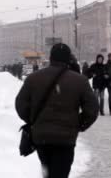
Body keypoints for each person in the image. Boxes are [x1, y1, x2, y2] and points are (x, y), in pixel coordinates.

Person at [16, 43, 99, 178]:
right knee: (60, 173)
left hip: (41, 137)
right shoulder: (80, 81)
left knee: (48, 171)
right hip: (66, 138)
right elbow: (92, 109)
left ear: (51, 58)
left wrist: (33, 120)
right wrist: (79, 124)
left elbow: (20, 104)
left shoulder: (34, 78)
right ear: (68, 59)